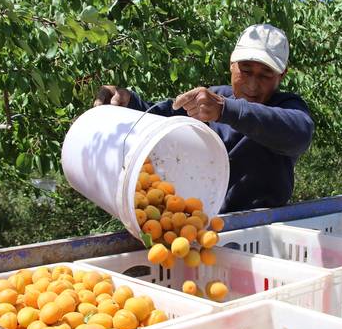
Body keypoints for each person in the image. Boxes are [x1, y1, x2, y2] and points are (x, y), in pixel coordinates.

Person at [94, 24, 314, 213]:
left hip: (260, 228)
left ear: (282, 75)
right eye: (245, 71)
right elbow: (168, 115)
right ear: (231, 64)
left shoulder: (285, 106)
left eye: (265, 75)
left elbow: (300, 133)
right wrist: (129, 101)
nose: (253, 85)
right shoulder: (215, 96)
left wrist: (226, 110)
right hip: (202, 223)